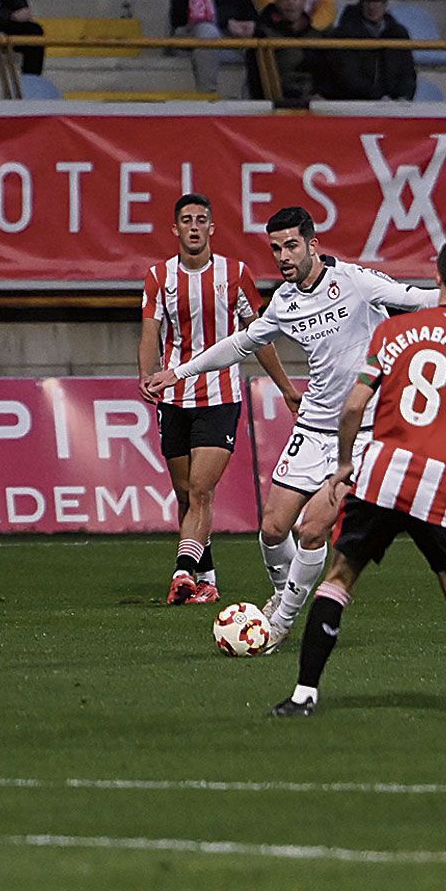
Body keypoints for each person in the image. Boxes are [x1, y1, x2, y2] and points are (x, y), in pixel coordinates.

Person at [145, 207, 446, 651]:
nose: (283, 256)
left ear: (313, 245)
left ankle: (279, 622)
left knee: (312, 529)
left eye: (291, 246)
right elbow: (242, 343)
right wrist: (179, 372)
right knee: (274, 528)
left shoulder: (353, 281)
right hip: (315, 426)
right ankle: (284, 592)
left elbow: (412, 297)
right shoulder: (284, 302)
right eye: (276, 248)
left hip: (363, 432)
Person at [268, 238, 446, 717]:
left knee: (339, 580)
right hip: (441, 483)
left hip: (381, 472)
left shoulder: (394, 333)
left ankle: (303, 694)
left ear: (437, 278)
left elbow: (353, 406)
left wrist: (346, 461)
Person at [138, 193, 301, 606]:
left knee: (201, 490)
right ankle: (206, 579)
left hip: (220, 396)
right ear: (175, 229)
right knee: (185, 494)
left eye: (201, 220)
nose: (194, 227)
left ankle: (182, 572)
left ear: (212, 228)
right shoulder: (159, 277)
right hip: (174, 398)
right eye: (187, 220)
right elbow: (149, 333)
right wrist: (147, 376)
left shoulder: (236, 274)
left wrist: (284, 386)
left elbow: (258, 335)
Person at [319, 0, 416, 101]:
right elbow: (347, 77)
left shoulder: (398, 34)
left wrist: (403, 97)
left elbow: (407, 74)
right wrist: (378, 97)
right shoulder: (343, 34)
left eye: (377, 1)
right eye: (367, 1)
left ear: (386, 4)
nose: (372, 6)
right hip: (355, 105)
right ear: (360, 2)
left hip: (392, 106)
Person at [170, 0, 258, 94]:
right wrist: (225, 23)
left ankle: (252, 99)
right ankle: (207, 95)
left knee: (262, 36)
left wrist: (249, 25)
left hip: (228, 38)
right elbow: (179, 18)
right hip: (189, 33)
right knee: (208, 31)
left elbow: (248, 11)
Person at [246, 0, 324, 103]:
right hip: (280, 104)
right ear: (277, 1)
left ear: (303, 2)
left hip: (316, 103)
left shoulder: (316, 36)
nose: (291, 3)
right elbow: (256, 79)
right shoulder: (263, 34)